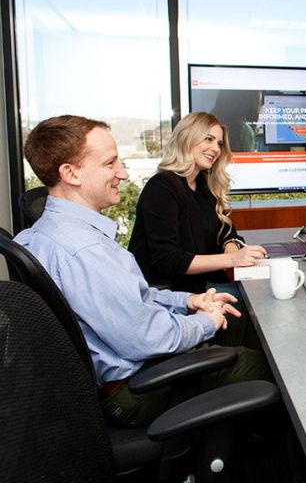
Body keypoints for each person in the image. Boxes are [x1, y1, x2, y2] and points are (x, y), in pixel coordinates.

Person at [15, 115, 273, 427]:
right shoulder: (84, 251)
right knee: (274, 369)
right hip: (136, 387)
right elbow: (146, 337)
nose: (122, 173)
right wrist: (204, 323)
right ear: (70, 173)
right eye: (111, 163)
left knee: (239, 321)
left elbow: (135, 296)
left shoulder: (45, 232)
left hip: (135, 360)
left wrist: (186, 303)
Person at [129, 112, 266, 294]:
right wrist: (232, 260)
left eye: (219, 143)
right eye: (208, 139)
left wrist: (231, 250)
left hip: (202, 286)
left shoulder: (202, 184)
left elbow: (226, 233)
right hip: (172, 298)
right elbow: (168, 260)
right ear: (187, 138)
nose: (216, 149)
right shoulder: (161, 188)